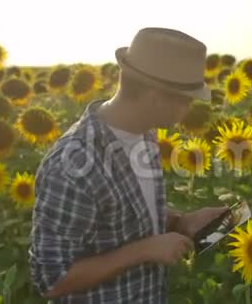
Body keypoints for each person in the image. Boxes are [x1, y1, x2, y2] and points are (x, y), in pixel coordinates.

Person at [28, 27, 228, 303]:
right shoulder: (73, 165)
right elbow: (52, 280)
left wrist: (181, 221)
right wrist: (144, 250)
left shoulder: (145, 134)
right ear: (156, 97)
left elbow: (121, 215)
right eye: (186, 100)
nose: (189, 109)